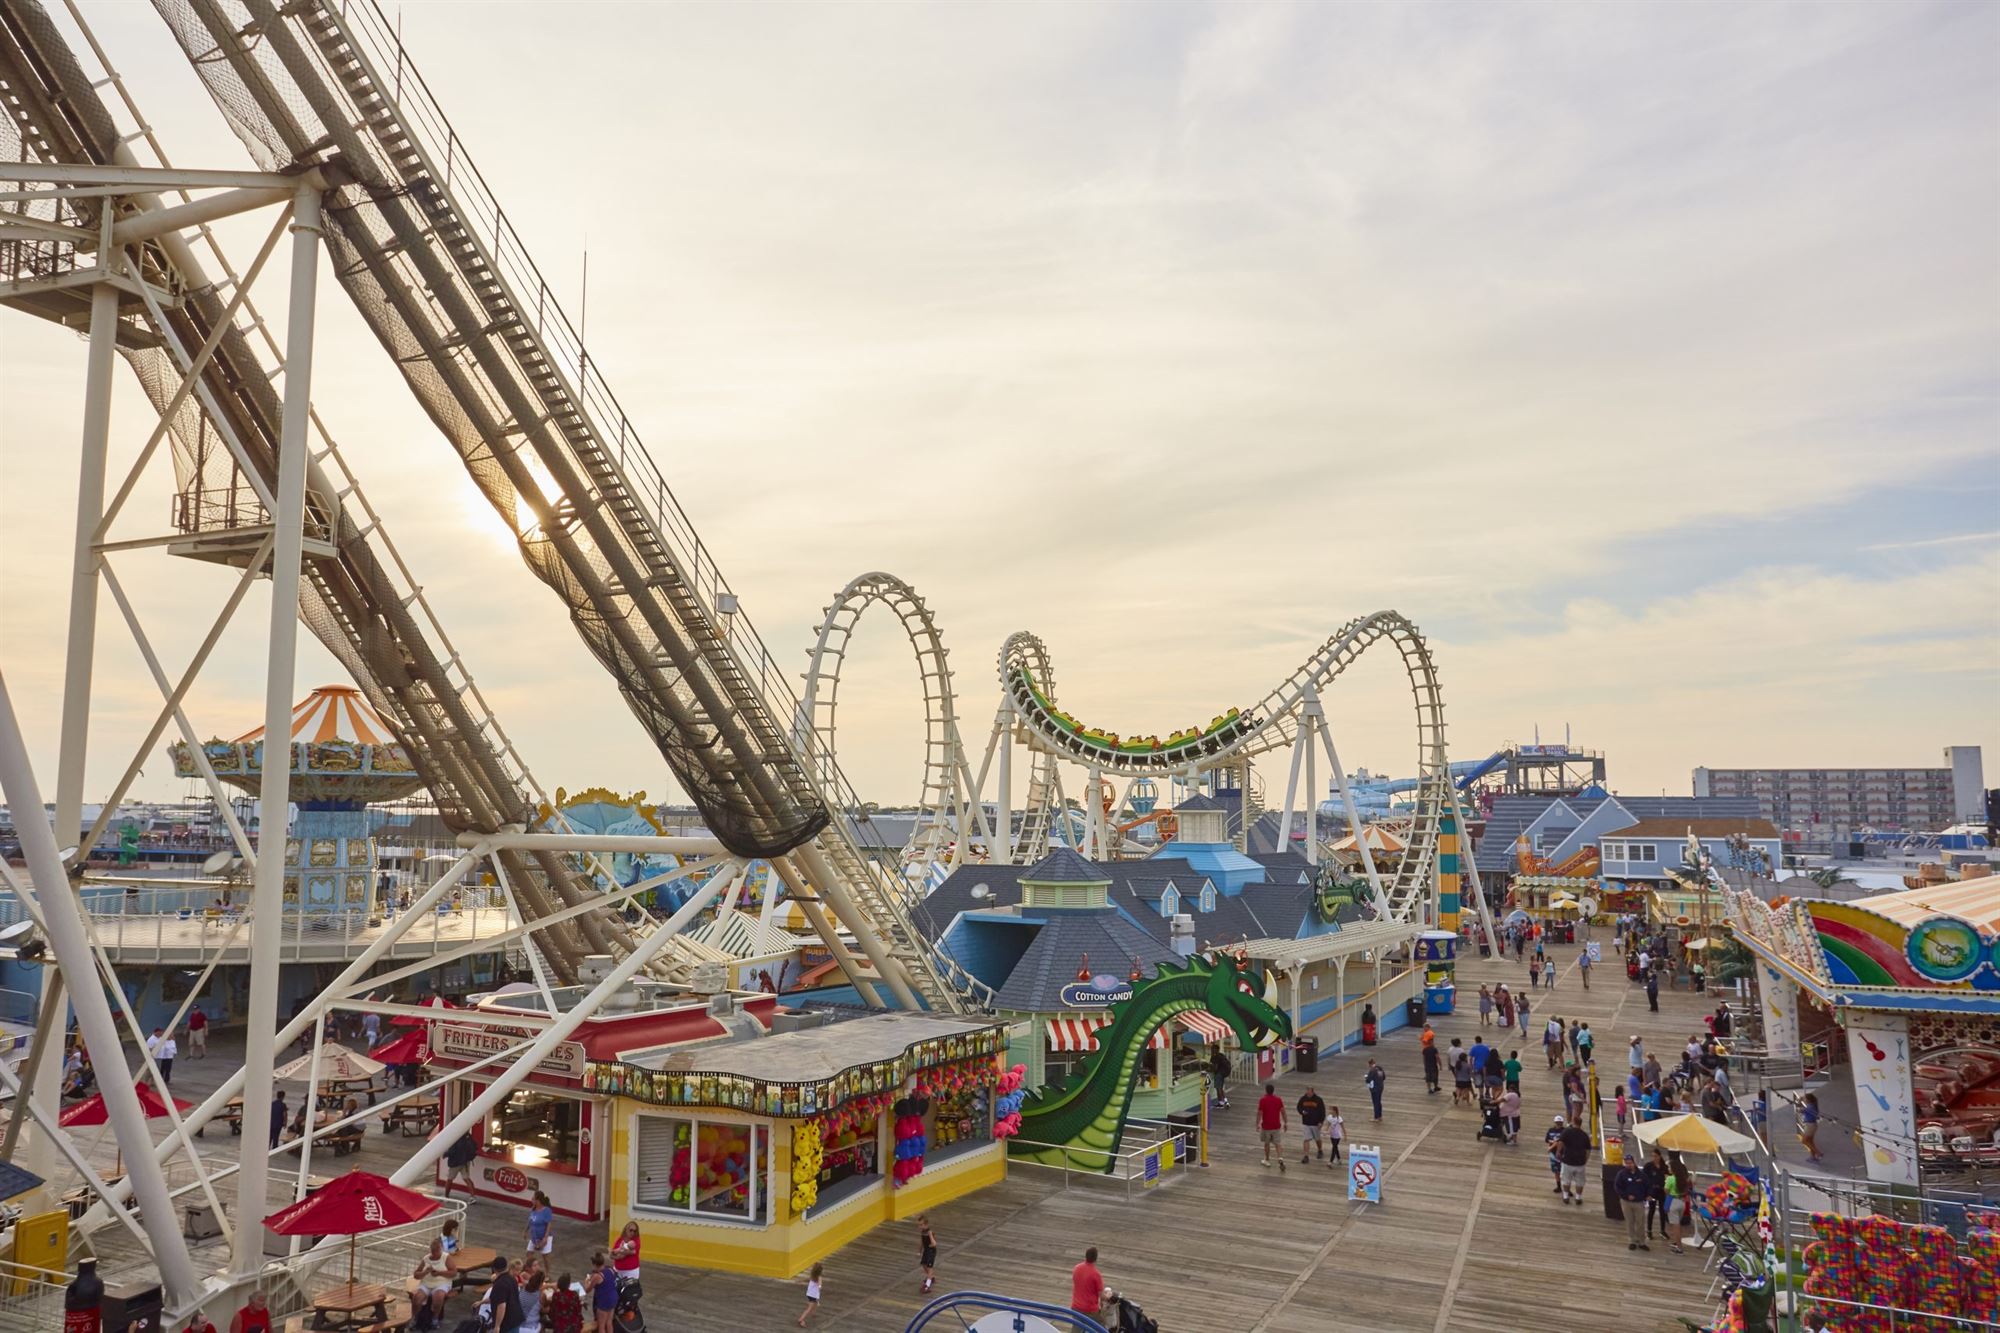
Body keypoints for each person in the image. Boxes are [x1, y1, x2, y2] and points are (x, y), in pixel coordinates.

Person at [1615, 1157, 1653, 1250]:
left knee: (1640, 1222)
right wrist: (1626, 1195)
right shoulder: (1621, 1174)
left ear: (1634, 1163)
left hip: (1639, 1202)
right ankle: (1632, 1240)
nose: (1629, 1165)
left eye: (1630, 1163)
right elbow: (1617, 1187)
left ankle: (1642, 1241)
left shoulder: (1641, 1175)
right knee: (1630, 1222)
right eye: (1627, 1163)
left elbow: (1648, 1185)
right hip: (1626, 1202)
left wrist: (1648, 1194)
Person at [414, 1237, 454, 1321]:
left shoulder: (446, 1257)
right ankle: (415, 1318)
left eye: (437, 1250)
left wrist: (439, 1273)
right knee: (417, 1298)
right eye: (433, 1251)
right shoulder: (426, 1258)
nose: (435, 1253)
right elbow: (416, 1275)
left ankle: (435, 1318)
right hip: (426, 1283)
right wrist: (424, 1272)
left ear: (440, 1249)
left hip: (441, 1283)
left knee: (438, 1297)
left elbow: (453, 1273)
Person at [1556, 1116, 1592, 1206]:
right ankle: (1578, 1197)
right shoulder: (1584, 1135)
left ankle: (1565, 1196)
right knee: (1580, 1181)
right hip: (1580, 1163)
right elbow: (1588, 1150)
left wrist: (1558, 1152)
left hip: (1568, 1160)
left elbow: (1561, 1142)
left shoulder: (1567, 1131)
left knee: (1566, 1180)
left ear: (1573, 1122)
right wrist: (1585, 1160)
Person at [1665, 1154, 1693, 1253]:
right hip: (1682, 1202)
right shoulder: (1684, 1178)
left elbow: (1666, 1191)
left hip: (1673, 1202)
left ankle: (1679, 1248)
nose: (1668, 1168)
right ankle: (1677, 1242)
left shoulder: (1670, 1179)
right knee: (1678, 1224)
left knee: (1675, 1226)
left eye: (1669, 1167)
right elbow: (1687, 1189)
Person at [487, 1258, 524, 1333]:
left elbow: (502, 1305)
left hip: (507, 1323)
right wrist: (481, 1302)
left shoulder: (499, 1284)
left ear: (494, 1269)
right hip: (516, 1318)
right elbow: (498, 1298)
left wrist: (497, 1326)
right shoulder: (512, 1279)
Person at [1257, 1081, 1288, 1171]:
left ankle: (1267, 1159)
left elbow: (1260, 1113)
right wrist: (1286, 1123)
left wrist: (1257, 1124)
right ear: (1273, 1091)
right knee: (1277, 1143)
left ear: (1266, 1091)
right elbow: (1283, 1112)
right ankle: (1280, 1157)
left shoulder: (1263, 1100)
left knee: (1267, 1144)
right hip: (1276, 1125)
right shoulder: (1278, 1100)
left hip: (1266, 1126)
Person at [586, 1249, 619, 1333]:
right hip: (613, 1298)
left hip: (604, 1301)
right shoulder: (611, 1270)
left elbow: (587, 1290)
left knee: (601, 1326)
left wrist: (587, 1281)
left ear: (595, 1264)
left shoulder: (597, 1276)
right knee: (609, 1322)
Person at [1069, 1248, 1104, 1323]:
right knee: (1101, 1325)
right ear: (1096, 1258)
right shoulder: (1096, 1274)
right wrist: (1109, 1295)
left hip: (1076, 1306)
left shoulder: (1077, 1268)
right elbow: (1102, 1296)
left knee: (1077, 1327)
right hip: (1089, 1310)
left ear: (1086, 1256)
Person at [1297, 1086, 1328, 1161]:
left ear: (1312, 1091)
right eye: (1307, 1091)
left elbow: (1322, 1112)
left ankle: (1320, 1150)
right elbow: (1299, 1107)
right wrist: (1302, 1112)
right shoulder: (1303, 1099)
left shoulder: (1318, 1100)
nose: (1308, 1093)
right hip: (1306, 1123)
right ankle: (1306, 1156)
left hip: (1315, 1123)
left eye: (1309, 1091)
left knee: (1317, 1139)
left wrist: (1321, 1122)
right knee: (1306, 1139)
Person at [444, 1129, 478, 1197]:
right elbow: (475, 1147)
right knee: (467, 1179)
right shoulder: (468, 1137)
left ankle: (446, 1196)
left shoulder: (455, 1138)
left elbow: (452, 1151)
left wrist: (445, 1154)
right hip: (465, 1162)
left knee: (449, 1179)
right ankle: (473, 1197)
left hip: (455, 1163)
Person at [525, 1191, 554, 1258]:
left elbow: (549, 1224)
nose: (531, 1200)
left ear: (538, 1200)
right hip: (534, 1235)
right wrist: (525, 1231)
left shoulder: (547, 1210)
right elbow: (530, 1221)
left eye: (533, 1198)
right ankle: (530, 1267)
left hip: (544, 1235)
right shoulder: (533, 1209)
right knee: (529, 1253)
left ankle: (547, 1269)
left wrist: (545, 1238)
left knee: (545, 1256)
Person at [1543, 1116, 1568, 1194]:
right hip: (1553, 1154)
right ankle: (1559, 1186)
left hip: (1562, 1153)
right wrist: (1551, 1141)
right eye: (1557, 1123)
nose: (1558, 1124)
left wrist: (1552, 1144)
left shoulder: (1565, 1131)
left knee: (1565, 1172)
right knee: (1556, 1171)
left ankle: (1567, 1188)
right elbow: (1546, 1139)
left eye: (1560, 1123)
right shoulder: (1550, 1130)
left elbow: (1560, 1141)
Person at [797, 1261, 825, 1327]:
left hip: (809, 1293)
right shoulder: (819, 1277)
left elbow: (807, 1279)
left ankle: (812, 1313)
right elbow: (819, 1286)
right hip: (813, 1295)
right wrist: (820, 1286)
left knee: (814, 1305)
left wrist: (800, 1280)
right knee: (809, 1308)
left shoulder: (813, 1275)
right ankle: (801, 1319)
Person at [1798, 1092, 1824, 1163]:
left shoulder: (1809, 1107)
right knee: (1810, 1141)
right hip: (1813, 1125)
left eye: (1805, 1099)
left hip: (1809, 1126)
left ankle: (1818, 1153)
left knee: (1804, 1141)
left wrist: (1800, 1101)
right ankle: (1813, 1157)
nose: (1804, 1100)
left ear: (1808, 1100)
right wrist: (1802, 1100)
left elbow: (1800, 1110)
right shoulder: (1812, 1105)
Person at [917, 1214, 939, 1294]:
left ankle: (927, 1285)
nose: (920, 1227)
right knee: (923, 1264)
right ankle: (931, 1277)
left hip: (931, 1251)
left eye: (921, 1225)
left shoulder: (930, 1232)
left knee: (930, 1267)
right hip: (926, 1250)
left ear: (926, 1224)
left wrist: (930, 1237)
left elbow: (934, 1243)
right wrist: (919, 1251)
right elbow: (921, 1242)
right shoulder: (922, 1232)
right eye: (919, 1225)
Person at [1450, 1040, 1473, 1107]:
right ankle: (1468, 1102)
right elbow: (1470, 1073)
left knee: (1458, 1089)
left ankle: (1457, 1097)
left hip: (1458, 1080)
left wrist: (1457, 1077)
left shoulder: (1457, 1064)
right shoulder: (1467, 1065)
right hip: (1466, 1080)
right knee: (1466, 1091)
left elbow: (1455, 1072)